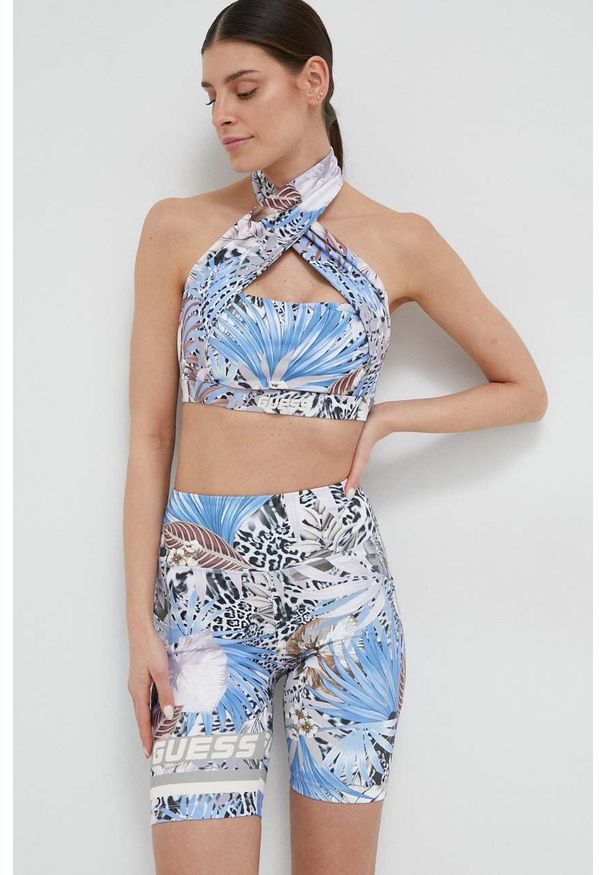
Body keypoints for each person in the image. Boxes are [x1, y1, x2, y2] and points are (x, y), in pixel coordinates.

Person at [123, 2, 548, 873]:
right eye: (210, 95)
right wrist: (139, 627)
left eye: (244, 89)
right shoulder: (176, 229)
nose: (222, 114)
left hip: (344, 601)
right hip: (203, 596)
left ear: (313, 79)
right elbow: (150, 434)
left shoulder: (402, 241)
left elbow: (524, 389)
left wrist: (389, 417)